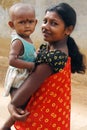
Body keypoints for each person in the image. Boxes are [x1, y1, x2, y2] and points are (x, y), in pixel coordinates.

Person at [6, 2, 86, 130]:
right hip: (56, 117)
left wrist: (11, 106)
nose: (45, 27)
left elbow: (20, 98)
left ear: (68, 30)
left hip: (41, 120)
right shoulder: (53, 50)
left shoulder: (51, 59)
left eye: (53, 23)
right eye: (45, 21)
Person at [1, 2, 37, 130]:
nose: (27, 25)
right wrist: (31, 65)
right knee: (18, 105)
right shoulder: (18, 41)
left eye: (30, 22)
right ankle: (6, 126)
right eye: (21, 22)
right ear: (12, 25)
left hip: (24, 77)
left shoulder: (27, 37)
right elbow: (12, 60)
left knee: (22, 104)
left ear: (36, 23)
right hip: (17, 78)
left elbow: (27, 54)